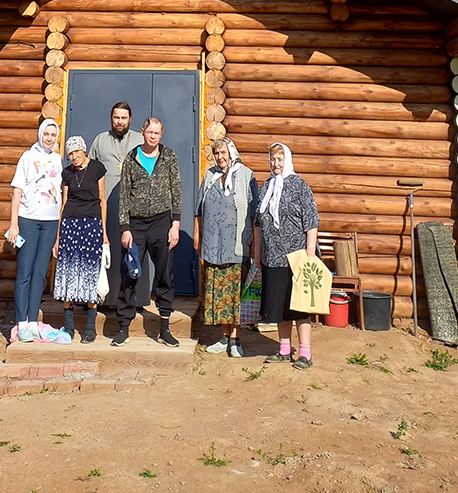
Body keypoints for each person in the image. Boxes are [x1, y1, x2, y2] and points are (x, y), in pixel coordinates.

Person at [114, 116, 182, 348]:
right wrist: (125, 228)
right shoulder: (132, 158)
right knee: (130, 274)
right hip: (136, 225)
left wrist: (175, 224)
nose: (153, 136)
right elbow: (123, 195)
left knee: (165, 274)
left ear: (161, 134)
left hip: (162, 223)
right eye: (149, 132)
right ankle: (123, 327)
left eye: (157, 133)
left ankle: (164, 327)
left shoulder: (169, 156)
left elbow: (177, 190)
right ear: (142, 132)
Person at [252, 141, 319, 370]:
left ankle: (305, 354)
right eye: (272, 159)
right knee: (279, 306)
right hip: (273, 257)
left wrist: (310, 253)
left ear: (287, 160)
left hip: (297, 256)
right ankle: (283, 349)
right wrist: (257, 251)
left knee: (299, 307)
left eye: (280, 159)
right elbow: (258, 223)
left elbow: (312, 222)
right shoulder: (265, 187)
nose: (276, 163)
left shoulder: (300, 186)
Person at [194, 136, 258, 359]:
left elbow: (253, 214)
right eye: (217, 154)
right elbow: (199, 207)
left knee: (235, 295)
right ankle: (223, 337)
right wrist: (197, 235)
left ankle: (235, 340)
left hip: (237, 244)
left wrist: (254, 243)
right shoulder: (210, 175)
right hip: (213, 244)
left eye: (223, 153)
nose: (220, 157)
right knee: (219, 294)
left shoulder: (245, 176)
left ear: (231, 152)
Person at [7, 120, 63, 341]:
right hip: (28, 219)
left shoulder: (58, 160)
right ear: (40, 134)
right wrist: (14, 224)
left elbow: (61, 192)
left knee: (40, 273)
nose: (49, 138)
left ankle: (32, 319)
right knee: (25, 272)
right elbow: (17, 192)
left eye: (52, 134)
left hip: (50, 221)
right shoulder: (27, 157)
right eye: (46, 134)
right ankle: (21, 322)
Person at [52, 135, 108, 343]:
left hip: (92, 226)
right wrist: (58, 237)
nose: (74, 157)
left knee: (89, 274)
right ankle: (68, 327)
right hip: (70, 226)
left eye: (76, 152)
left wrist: (105, 234)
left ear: (84, 151)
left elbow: (102, 201)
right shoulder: (67, 173)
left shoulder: (97, 169)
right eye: (70, 154)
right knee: (68, 274)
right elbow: (63, 204)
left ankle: (90, 328)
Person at [89, 103, 144, 307]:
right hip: (106, 205)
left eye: (124, 118)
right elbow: (90, 170)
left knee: (131, 250)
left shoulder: (140, 140)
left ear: (130, 119)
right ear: (111, 118)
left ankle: (132, 301)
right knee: (107, 250)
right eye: (116, 117)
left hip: (133, 206)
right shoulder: (100, 140)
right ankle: (105, 299)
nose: (120, 121)